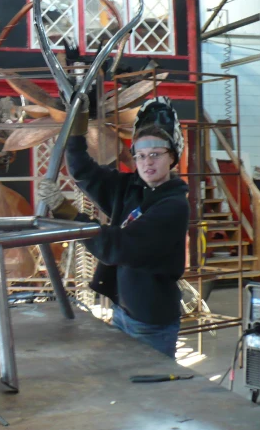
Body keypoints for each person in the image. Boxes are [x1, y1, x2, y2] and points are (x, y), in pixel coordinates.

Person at [38, 96, 189, 358]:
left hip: (151, 322)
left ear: (172, 158)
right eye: (140, 155)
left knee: (152, 393)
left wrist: (67, 211)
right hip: (122, 311)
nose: (147, 162)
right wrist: (77, 129)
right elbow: (84, 172)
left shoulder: (172, 206)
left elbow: (117, 248)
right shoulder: (131, 188)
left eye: (155, 154)